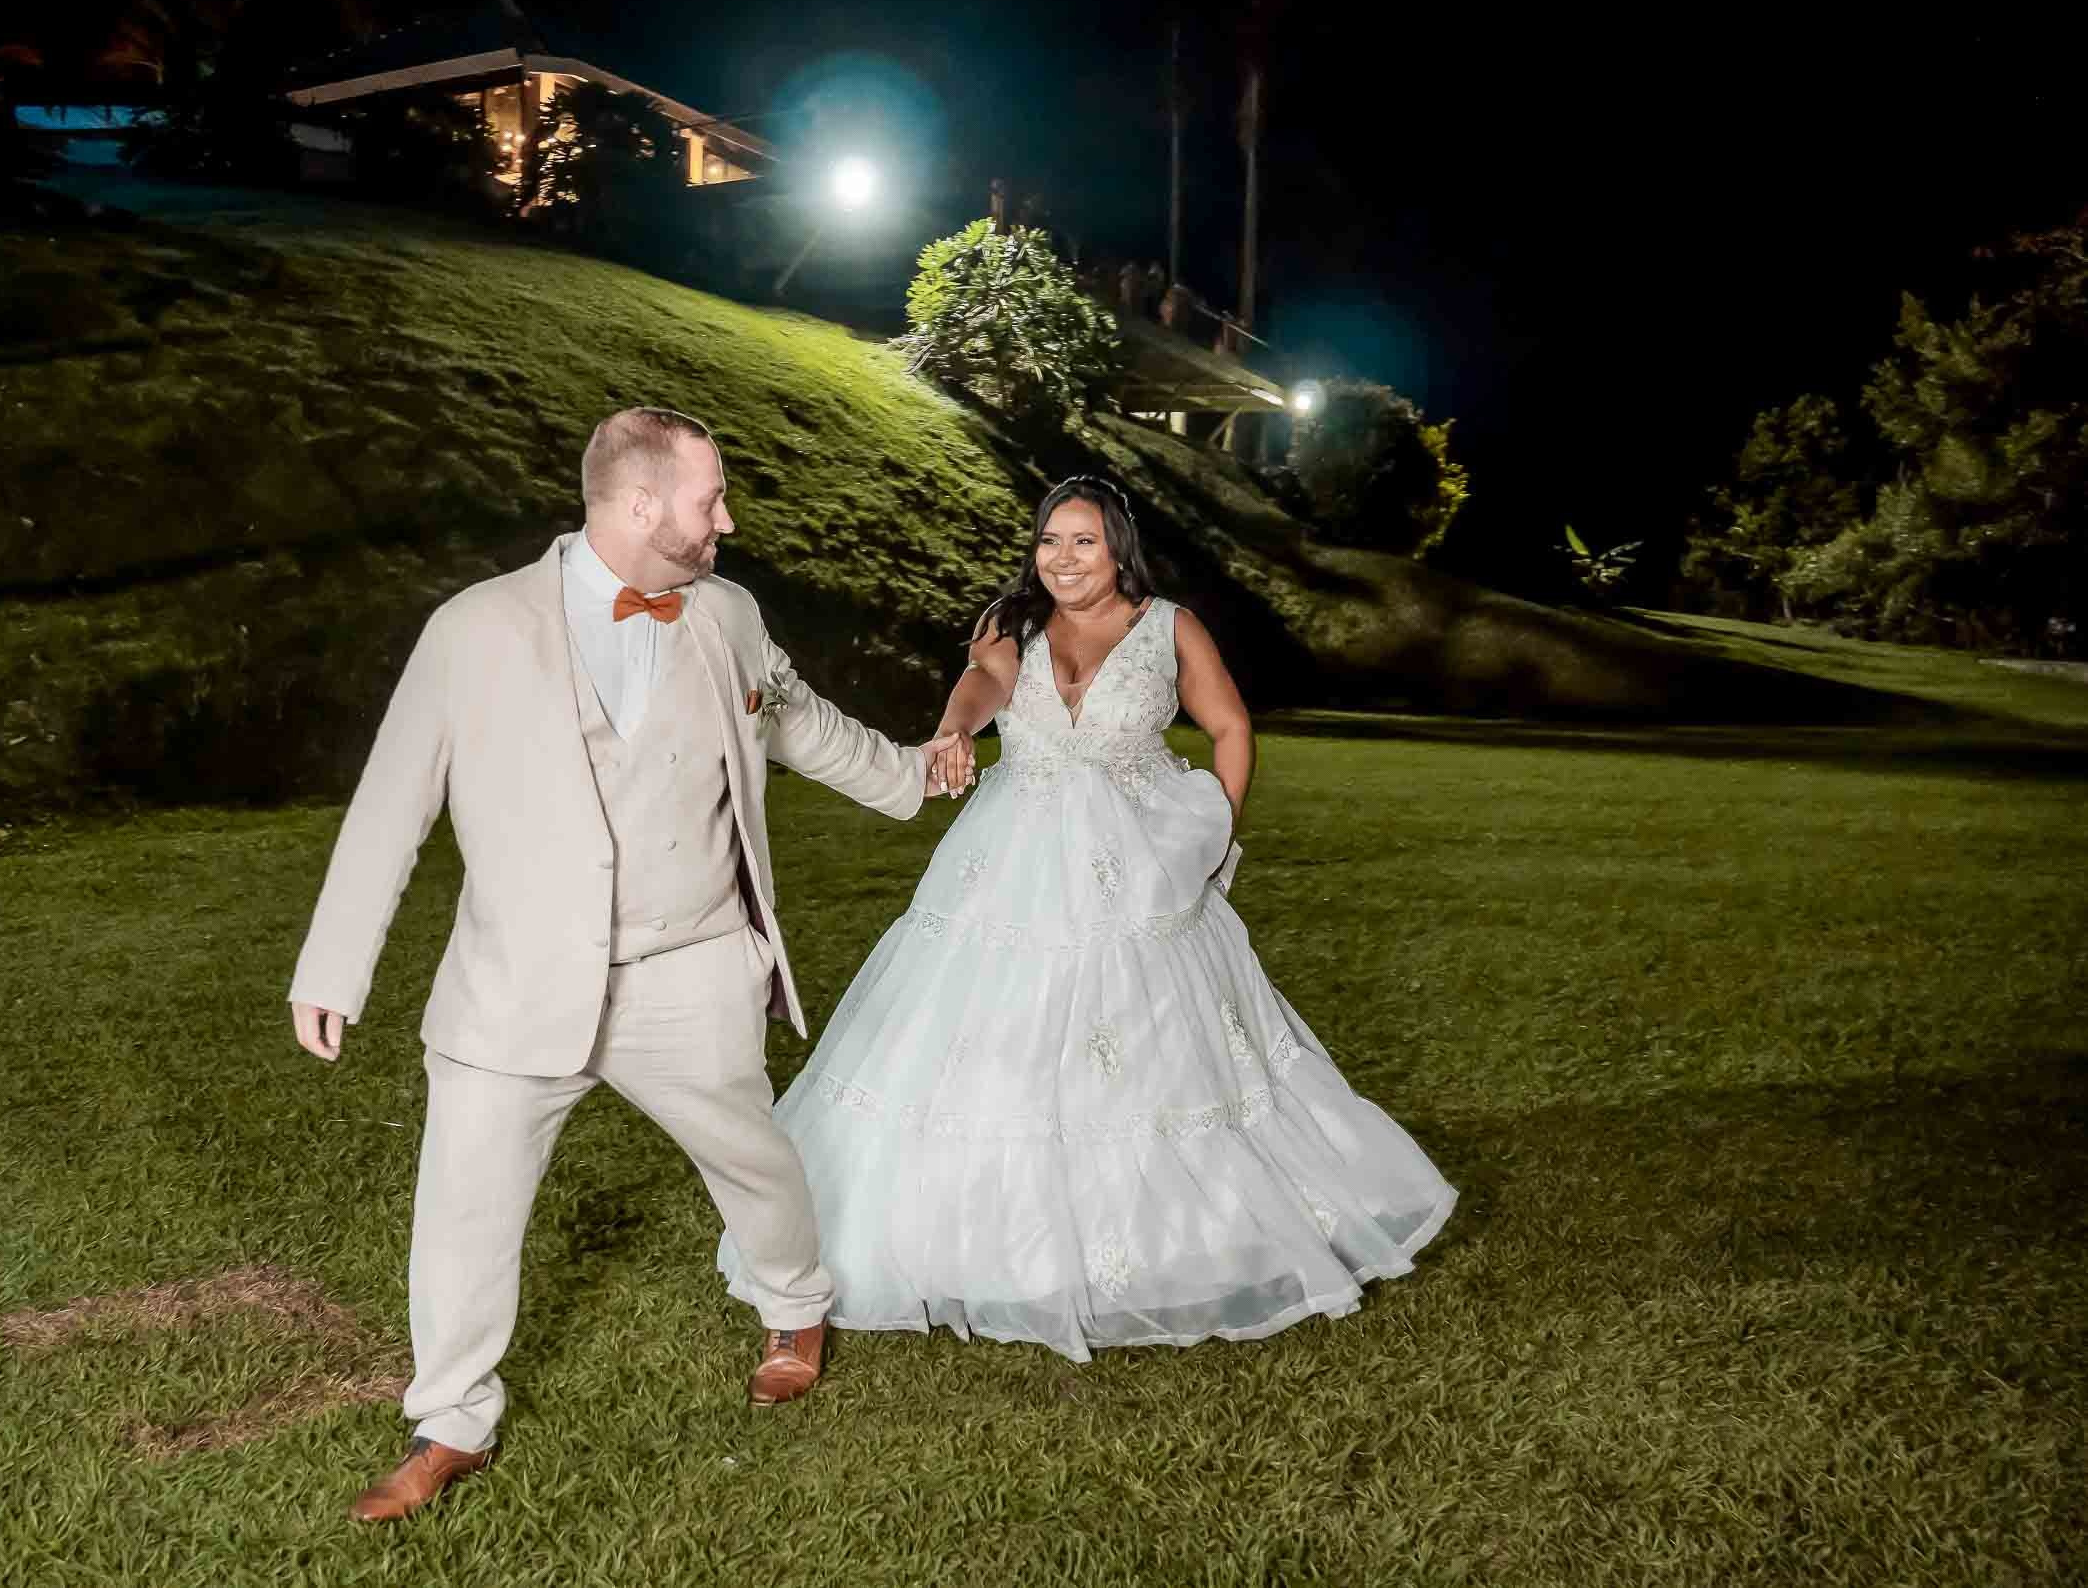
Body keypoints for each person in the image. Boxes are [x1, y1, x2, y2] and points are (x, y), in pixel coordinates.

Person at [289, 407, 959, 1520]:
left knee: (753, 1158)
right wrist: (332, 964)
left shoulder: (729, 616)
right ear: (642, 505)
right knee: (461, 1207)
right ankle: (450, 1421)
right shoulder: (472, 628)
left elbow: (800, 722)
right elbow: (392, 797)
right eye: (712, 498)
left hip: (689, 964)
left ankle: (795, 1302)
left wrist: (912, 774)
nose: (727, 520)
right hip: (511, 982)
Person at [719, 476, 1455, 1360]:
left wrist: (1215, 829)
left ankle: (1174, 1232)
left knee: (1153, 1041)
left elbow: (1230, 728)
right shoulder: (1012, 620)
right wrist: (954, 728)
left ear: (1118, 548)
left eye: (1082, 542)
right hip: (1014, 858)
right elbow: (985, 680)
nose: (1061, 559)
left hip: (1139, 861)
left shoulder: (1170, 627)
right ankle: (991, 1238)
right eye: (1048, 541)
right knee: (988, 1035)